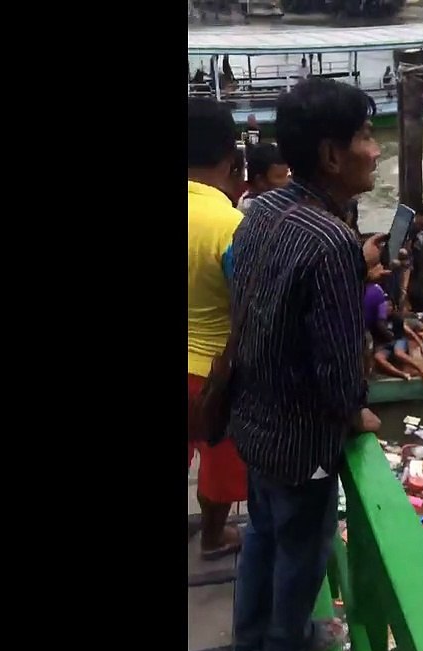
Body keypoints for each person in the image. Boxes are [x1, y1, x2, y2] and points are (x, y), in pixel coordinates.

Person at [228, 77, 382, 651]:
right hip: (301, 440)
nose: (376, 149)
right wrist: (355, 412)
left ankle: (245, 640)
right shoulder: (333, 242)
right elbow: (338, 368)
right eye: (366, 135)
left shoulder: (263, 207)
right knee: (304, 545)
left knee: (263, 534)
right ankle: (285, 641)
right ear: (331, 154)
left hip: (253, 417)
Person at [187, 97, 250, 561]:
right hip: (210, 370)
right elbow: (250, 303)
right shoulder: (230, 224)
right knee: (218, 457)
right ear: (232, 156)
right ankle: (213, 537)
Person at [238, 143, 289, 212]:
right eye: (279, 177)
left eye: (287, 175)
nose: (287, 181)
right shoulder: (253, 207)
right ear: (260, 181)